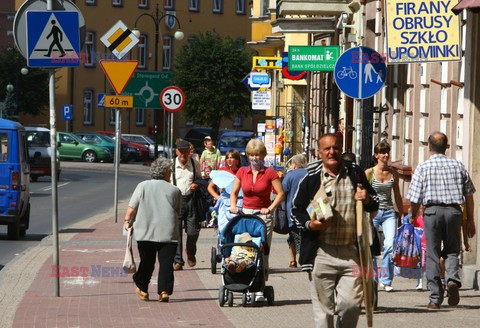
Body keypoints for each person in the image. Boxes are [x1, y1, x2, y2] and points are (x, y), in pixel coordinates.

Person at [292, 133, 379, 328]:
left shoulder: (355, 173)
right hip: (322, 253)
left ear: (341, 150)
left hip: (352, 253)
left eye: (336, 148)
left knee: (350, 307)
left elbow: (375, 204)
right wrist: (310, 225)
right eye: (327, 148)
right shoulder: (311, 178)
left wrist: (366, 199)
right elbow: (295, 211)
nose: (332, 152)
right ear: (319, 152)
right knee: (324, 315)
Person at [407, 131, 476, 309]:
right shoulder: (458, 166)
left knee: (433, 254)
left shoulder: (423, 167)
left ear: (429, 146)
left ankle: (435, 298)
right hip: (454, 212)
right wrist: (470, 219)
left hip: (432, 213)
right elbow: (469, 196)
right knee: (453, 250)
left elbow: (415, 198)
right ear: (446, 147)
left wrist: (412, 216)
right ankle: (452, 279)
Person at [230, 138, 285, 300]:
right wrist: (234, 206)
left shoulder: (269, 173)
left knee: (261, 252)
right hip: (246, 214)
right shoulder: (242, 172)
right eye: (252, 155)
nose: (255, 158)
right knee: (244, 248)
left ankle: (260, 287)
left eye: (258, 155)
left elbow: (281, 194)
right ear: (247, 156)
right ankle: (246, 282)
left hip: (263, 215)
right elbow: (234, 192)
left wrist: (270, 208)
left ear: (263, 156)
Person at [124, 157, 182, 302]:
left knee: (147, 262)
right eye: (170, 171)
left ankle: (143, 288)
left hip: (145, 232)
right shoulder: (175, 190)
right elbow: (178, 210)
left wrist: (127, 221)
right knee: (166, 263)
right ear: (167, 172)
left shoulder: (142, 186)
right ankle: (164, 291)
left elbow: (132, 207)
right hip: (168, 232)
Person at [364, 141, 403, 292]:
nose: (386, 155)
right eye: (382, 152)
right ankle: (373, 279)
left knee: (390, 245)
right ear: (376, 155)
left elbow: (398, 195)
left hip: (388, 213)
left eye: (387, 152)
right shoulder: (369, 173)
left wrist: (402, 213)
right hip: (373, 213)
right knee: (371, 247)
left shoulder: (393, 174)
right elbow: (364, 192)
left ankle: (386, 279)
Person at [171, 139, 202, 271]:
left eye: (186, 151)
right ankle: (178, 260)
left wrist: (197, 184)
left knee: (193, 231)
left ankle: (190, 252)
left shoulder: (195, 164)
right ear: (176, 151)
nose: (183, 154)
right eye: (181, 151)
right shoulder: (171, 165)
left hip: (191, 200)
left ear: (189, 152)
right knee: (176, 233)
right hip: (175, 201)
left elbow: (200, 179)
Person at [282, 154, 308, 268]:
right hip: (308, 211)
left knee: (292, 234)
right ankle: (306, 257)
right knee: (307, 235)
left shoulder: (290, 175)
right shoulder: (310, 174)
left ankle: (293, 260)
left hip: (292, 211)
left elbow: (283, 191)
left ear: (294, 164)